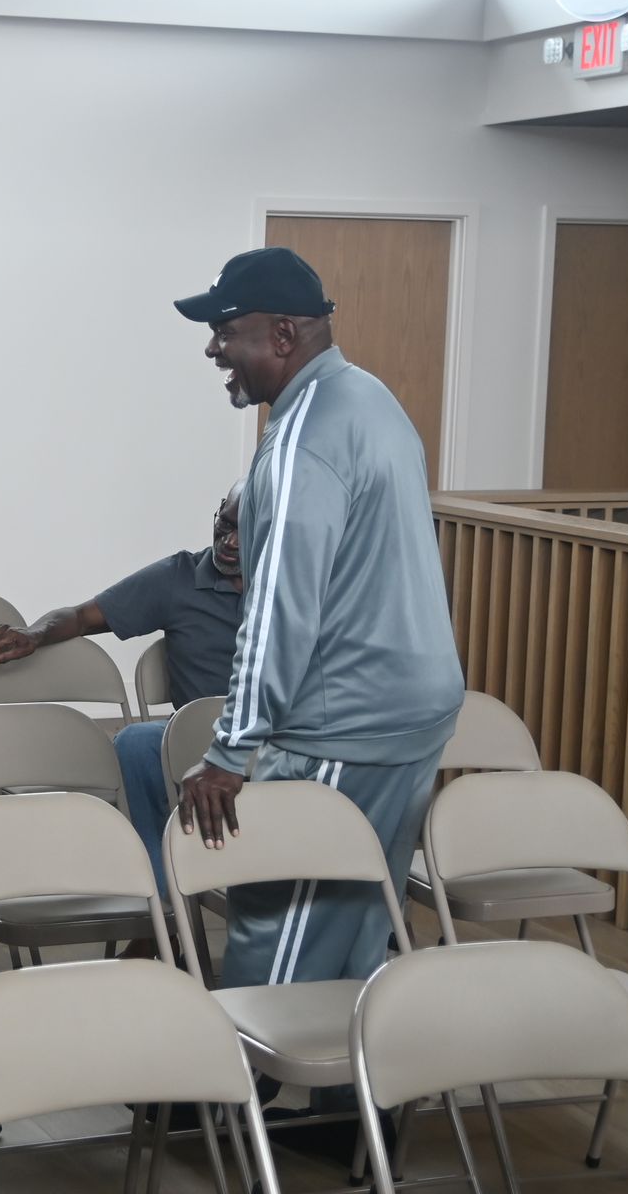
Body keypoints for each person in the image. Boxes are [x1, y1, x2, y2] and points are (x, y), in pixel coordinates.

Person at [172, 246, 463, 996]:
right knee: (357, 933)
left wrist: (229, 752)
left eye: (225, 332)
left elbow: (279, 607)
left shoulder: (304, 437)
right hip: (410, 718)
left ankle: (249, 1068)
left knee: (279, 943)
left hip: (344, 726)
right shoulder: (371, 399)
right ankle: (350, 1073)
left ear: (281, 335)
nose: (213, 350)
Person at [0, 482, 244, 894]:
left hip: (281, 736)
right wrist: (35, 634)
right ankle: (163, 899)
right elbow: (81, 616)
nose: (230, 542)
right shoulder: (180, 577)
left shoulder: (304, 585)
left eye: (247, 531)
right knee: (136, 742)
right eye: (225, 524)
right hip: (199, 738)